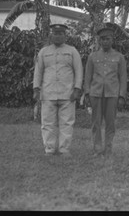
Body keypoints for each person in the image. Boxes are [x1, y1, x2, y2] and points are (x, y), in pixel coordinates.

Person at [33, 24, 83, 157]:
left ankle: (64, 149)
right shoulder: (44, 52)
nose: (58, 36)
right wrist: (36, 89)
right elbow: (38, 71)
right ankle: (49, 149)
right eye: (55, 33)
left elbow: (78, 71)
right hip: (48, 93)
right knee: (47, 123)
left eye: (61, 33)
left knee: (67, 122)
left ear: (65, 36)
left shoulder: (72, 51)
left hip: (67, 93)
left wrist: (77, 89)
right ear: (51, 35)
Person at [84, 27, 127, 158]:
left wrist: (121, 96)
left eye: (108, 39)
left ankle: (108, 149)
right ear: (99, 40)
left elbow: (123, 78)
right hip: (96, 93)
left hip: (112, 94)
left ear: (112, 40)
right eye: (102, 39)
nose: (105, 42)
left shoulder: (119, 57)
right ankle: (97, 149)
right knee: (96, 123)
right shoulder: (93, 56)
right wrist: (87, 93)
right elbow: (88, 77)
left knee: (110, 123)